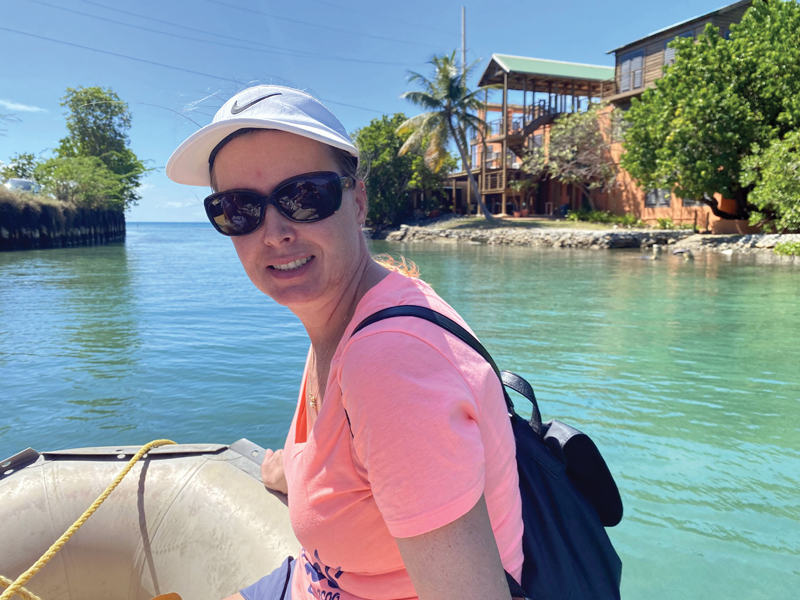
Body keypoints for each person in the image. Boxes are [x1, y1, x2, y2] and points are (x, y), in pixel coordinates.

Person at [166, 85, 524, 600]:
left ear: (357, 200)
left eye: (305, 196)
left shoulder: (389, 366)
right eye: (240, 209)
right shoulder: (351, 313)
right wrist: (293, 467)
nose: (274, 232)